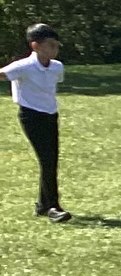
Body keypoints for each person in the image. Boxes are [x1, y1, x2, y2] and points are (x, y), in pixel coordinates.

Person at [5, 22, 68, 222]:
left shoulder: (57, 67)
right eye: (51, 45)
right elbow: (3, 74)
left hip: (51, 116)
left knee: (51, 160)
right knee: (47, 159)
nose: (55, 49)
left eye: (57, 45)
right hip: (31, 116)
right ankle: (53, 207)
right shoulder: (23, 66)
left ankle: (43, 205)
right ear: (35, 46)